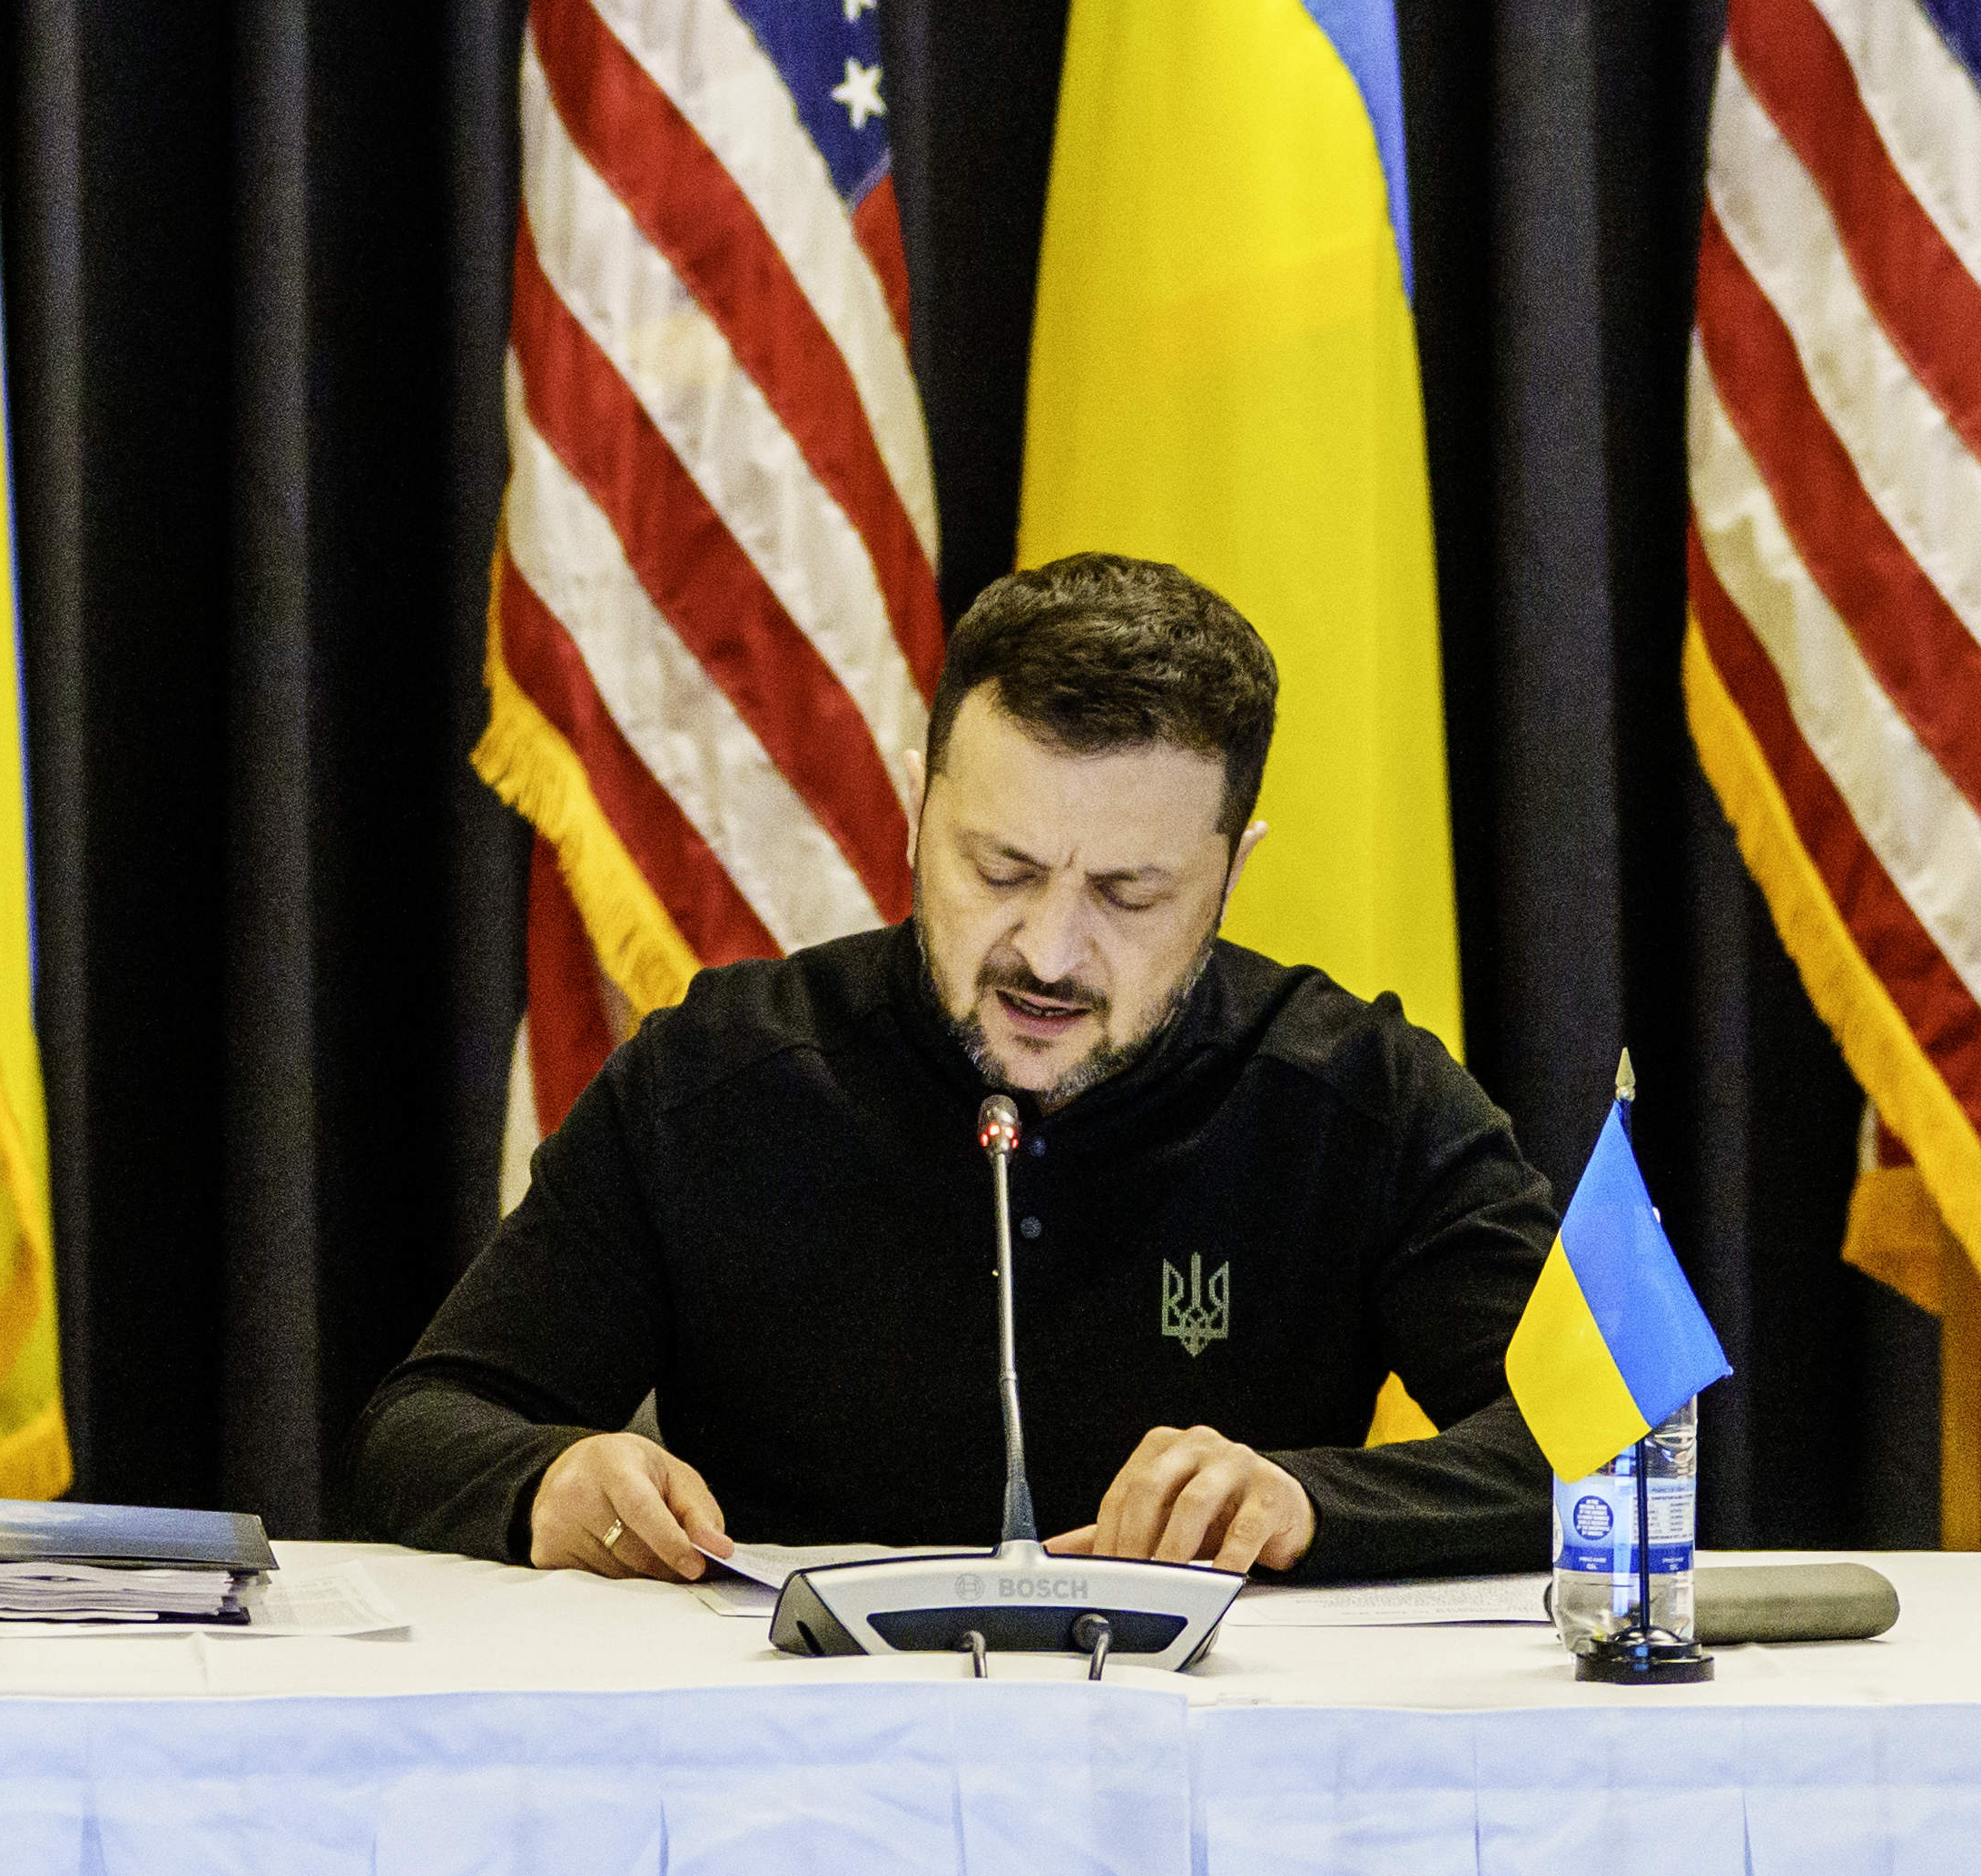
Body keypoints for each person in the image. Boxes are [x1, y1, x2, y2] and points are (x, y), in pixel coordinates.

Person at [356, 554, 1562, 1579]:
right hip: (795, 1745)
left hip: (1206, 1749)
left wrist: (1311, 1505)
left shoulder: (1355, 1090)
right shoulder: (716, 1074)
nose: (1047, 951)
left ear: (1229, 876)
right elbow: (418, 1425)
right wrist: (549, 1479)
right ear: (916, 815)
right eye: (999, 869)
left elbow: (1613, 1445)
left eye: (1128, 894)